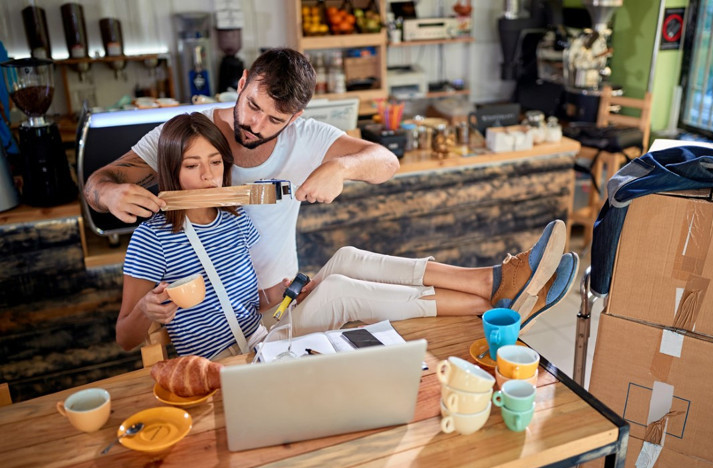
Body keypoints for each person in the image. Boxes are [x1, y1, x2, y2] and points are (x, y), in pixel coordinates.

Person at [117, 113, 579, 361]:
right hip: (233, 361)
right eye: (192, 166)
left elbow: (252, 303)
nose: (207, 176)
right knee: (339, 289)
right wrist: (145, 311)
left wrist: (284, 296)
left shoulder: (232, 218)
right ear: (170, 170)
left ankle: (491, 281)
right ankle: (493, 307)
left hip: (264, 328)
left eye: (215, 163)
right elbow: (125, 337)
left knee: (345, 257)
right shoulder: (151, 240)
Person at [84, 47, 399, 296]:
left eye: (275, 120)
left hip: (279, 295)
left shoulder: (306, 136)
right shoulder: (190, 133)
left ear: (295, 117)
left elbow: (386, 161)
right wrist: (109, 194)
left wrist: (340, 167)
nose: (256, 126)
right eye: (253, 106)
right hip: (209, 308)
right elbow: (98, 184)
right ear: (242, 83)